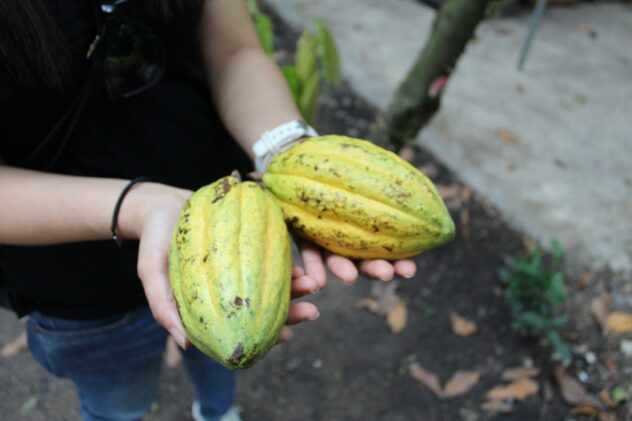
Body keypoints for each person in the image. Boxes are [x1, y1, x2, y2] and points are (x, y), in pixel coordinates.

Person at [0, 1, 417, 420]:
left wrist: (287, 155)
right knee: (118, 403)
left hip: (223, 222)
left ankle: (216, 411)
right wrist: (136, 207)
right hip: (76, 282)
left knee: (222, 353)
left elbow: (234, 49)